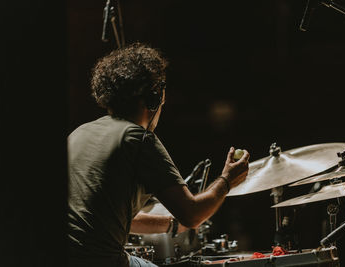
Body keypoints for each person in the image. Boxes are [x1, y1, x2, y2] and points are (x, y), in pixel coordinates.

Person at [67, 42, 250, 267]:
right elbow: (192, 215)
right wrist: (227, 180)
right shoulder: (138, 139)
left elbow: (111, 218)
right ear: (155, 98)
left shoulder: (78, 134)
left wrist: (171, 225)